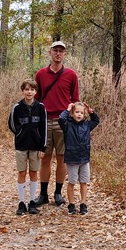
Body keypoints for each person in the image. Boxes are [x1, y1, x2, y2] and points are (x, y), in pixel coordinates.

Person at [34, 40, 80, 207]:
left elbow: (75, 100)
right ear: (50, 52)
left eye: (61, 51)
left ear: (64, 54)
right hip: (45, 122)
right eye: (55, 50)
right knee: (45, 158)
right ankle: (43, 194)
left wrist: (76, 120)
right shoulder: (40, 75)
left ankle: (58, 193)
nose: (58, 53)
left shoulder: (71, 75)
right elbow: (36, 100)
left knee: (62, 159)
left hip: (63, 122)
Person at [8, 79, 47, 215]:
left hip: (36, 146)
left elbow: (44, 128)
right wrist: (20, 134)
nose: (29, 92)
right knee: (22, 172)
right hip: (21, 145)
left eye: (32, 89)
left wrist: (43, 147)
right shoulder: (17, 107)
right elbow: (12, 124)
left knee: (34, 173)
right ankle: (21, 202)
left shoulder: (41, 107)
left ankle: (31, 201)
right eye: (27, 89)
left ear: (36, 92)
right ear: (23, 91)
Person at [58, 102, 99, 215]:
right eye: (77, 112)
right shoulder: (67, 125)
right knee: (72, 182)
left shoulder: (86, 125)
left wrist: (91, 111)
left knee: (83, 182)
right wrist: (68, 109)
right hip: (72, 158)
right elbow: (61, 119)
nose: (79, 114)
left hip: (84, 158)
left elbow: (96, 120)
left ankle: (83, 203)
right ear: (72, 113)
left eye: (81, 112)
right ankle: (71, 204)